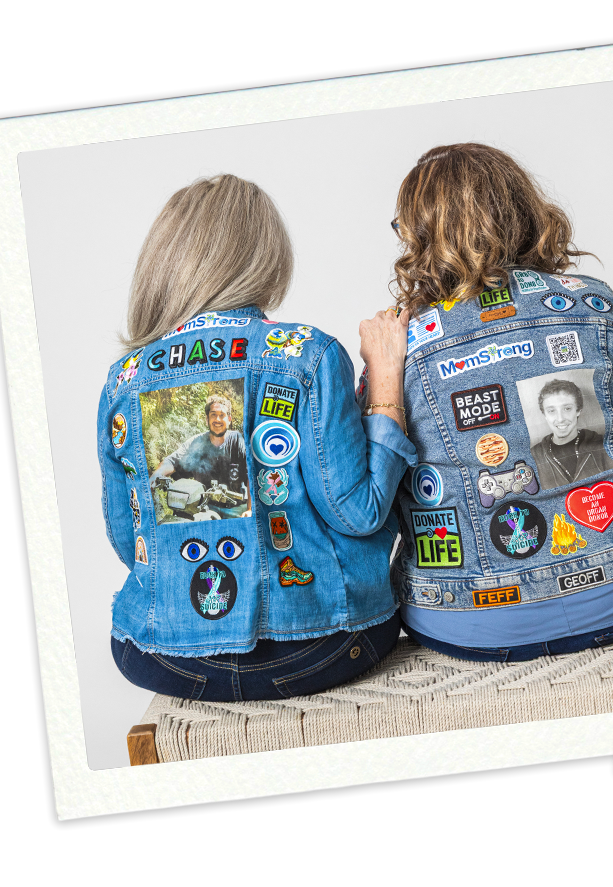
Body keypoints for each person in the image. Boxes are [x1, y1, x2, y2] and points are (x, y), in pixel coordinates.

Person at [99, 174, 418, 701]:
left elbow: (126, 538)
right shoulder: (306, 353)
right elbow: (358, 512)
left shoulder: (124, 379)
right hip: (323, 645)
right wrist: (385, 384)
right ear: (265, 257)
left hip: (160, 654)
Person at [386, 143, 613, 662]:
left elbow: (380, 482)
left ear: (418, 236)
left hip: (463, 618)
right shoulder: (596, 300)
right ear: (523, 210)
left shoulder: (401, 345)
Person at [150, 394, 250, 517]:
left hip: (236, 508)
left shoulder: (237, 440)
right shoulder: (196, 443)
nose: (217, 419)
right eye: (213, 414)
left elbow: (251, 473)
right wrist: (155, 476)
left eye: (222, 415)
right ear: (207, 419)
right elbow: (172, 461)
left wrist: (250, 509)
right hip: (204, 507)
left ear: (229, 419)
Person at [533, 379, 613, 491]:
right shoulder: (535, 455)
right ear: (544, 415)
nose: (560, 419)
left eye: (567, 409)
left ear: (578, 410)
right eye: (551, 411)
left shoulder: (604, 445)